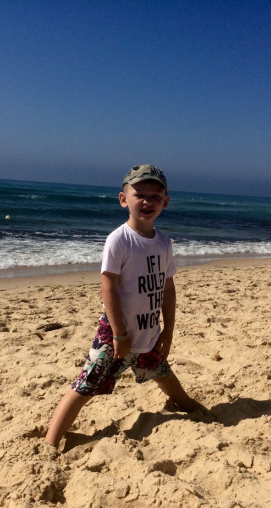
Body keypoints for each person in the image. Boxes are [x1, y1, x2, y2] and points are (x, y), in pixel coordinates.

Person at [45, 164, 203, 449]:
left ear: (165, 202)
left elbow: (167, 289)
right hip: (117, 335)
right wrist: (119, 334)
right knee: (86, 385)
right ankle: (51, 441)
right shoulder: (119, 239)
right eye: (139, 195)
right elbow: (108, 286)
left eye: (155, 197)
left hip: (149, 332)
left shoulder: (164, 242)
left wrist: (168, 331)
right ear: (123, 199)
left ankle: (188, 405)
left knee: (162, 373)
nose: (147, 202)